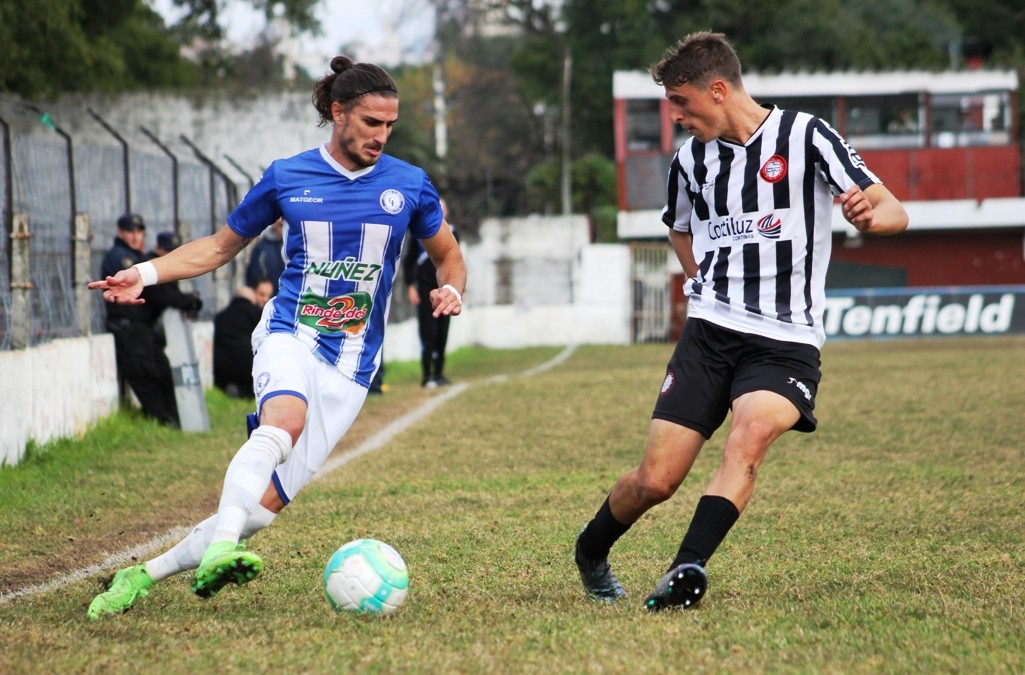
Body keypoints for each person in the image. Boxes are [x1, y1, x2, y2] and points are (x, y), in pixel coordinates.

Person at [85, 55, 466, 619]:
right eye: (370, 124)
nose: (381, 137)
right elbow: (217, 248)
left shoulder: (408, 185)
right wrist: (142, 273)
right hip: (291, 332)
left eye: (390, 126)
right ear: (338, 114)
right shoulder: (288, 176)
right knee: (282, 423)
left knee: (257, 513)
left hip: (353, 366)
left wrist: (452, 289)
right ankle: (219, 552)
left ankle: (142, 574)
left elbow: (448, 255)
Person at [573, 32, 908, 612]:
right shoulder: (690, 161)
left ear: (719, 89)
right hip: (710, 334)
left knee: (748, 438)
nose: (675, 117)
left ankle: (684, 572)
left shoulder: (807, 138)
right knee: (657, 480)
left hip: (787, 341)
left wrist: (869, 218)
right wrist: (698, 276)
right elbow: (678, 225)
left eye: (681, 103)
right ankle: (591, 551)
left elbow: (894, 210)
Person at [99, 216, 195, 427]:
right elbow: (158, 294)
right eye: (130, 231)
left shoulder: (135, 257)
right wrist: (186, 301)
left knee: (159, 371)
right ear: (120, 233)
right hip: (129, 327)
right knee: (147, 374)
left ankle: (169, 420)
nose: (135, 236)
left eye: (139, 231)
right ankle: (162, 420)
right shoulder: (123, 258)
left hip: (140, 328)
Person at [403, 198, 461, 388]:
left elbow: (457, 263)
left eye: (442, 207)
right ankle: (427, 375)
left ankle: (439, 373)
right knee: (427, 333)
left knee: (442, 332)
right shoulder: (419, 235)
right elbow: (409, 261)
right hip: (424, 289)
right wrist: (410, 286)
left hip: (444, 290)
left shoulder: (452, 234)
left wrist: (458, 290)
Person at [213, 280, 274, 398]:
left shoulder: (220, 316)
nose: (265, 299)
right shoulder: (257, 314)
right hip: (247, 368)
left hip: (222, 369)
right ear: (253, 297)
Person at [245, 217, 286, 295]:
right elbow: (253, 273)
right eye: (280, 226)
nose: (283, 230)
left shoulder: (295, 246)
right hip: (267, 298)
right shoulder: (261, 247)